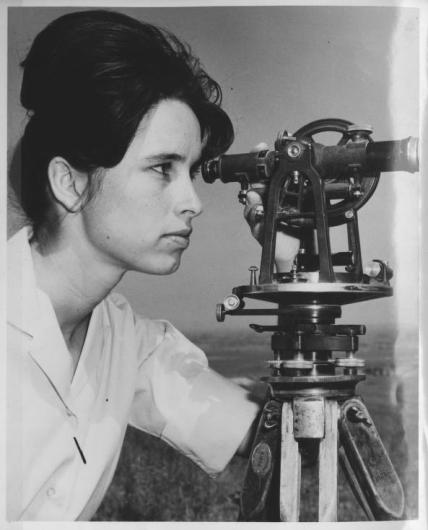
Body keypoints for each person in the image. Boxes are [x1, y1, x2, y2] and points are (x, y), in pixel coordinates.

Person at [7, 9, 299, 521]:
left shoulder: (126, 343)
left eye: (189, 170)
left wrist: (294, 268)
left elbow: (279, 439)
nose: (193, 202)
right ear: (69, 183)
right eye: (162, 169)